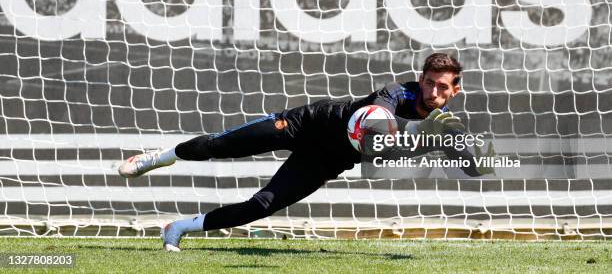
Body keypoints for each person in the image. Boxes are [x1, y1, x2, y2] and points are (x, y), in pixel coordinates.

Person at [117, 52, 483, 251]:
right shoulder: (396, 93)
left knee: (260, 207)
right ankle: (156, 157)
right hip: (306, 123)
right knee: (219, 145)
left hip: (326, 159)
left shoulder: (444, 127)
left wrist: (466, 153)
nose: (433, 91)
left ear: (455, 91)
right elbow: (376, 122)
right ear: (420, 80)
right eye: (429, 83)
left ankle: (178, 228)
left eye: (442, 87)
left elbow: (471, 167)